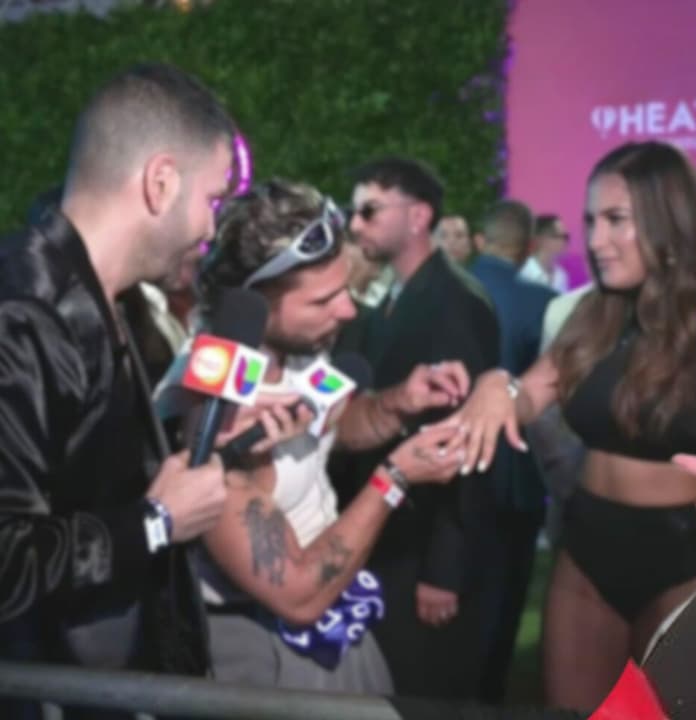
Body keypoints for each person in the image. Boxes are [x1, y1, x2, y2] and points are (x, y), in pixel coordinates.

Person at [155, 179, 472, 694]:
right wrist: (394, 478)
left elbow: (331, 426)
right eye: (324, 299)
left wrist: (398, 401)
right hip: (269, 653)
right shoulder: (212, 410)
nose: (348, 310)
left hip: (339, 630)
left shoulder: (295, 347)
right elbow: (298, 594)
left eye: (345, 289)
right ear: (254, 304)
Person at [450, 141, 696, 711]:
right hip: (587, 549)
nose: (596, 240)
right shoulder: (590, 315)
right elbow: (529, 393)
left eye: (616, 220)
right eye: (591, 221)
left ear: (666, 218)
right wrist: (495, 387)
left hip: (686, 556)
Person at [0, 64, 236, 714]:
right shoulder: (24, 313)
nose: (211, 229)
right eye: (213, 200)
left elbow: (82, 466)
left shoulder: (110, 298)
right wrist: (156, 523)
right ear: (161, 183)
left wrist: (184, 433)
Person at [331, 156, 503, 700]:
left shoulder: (455, 302)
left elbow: (470, 438)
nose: (355, 224)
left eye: (370, 210)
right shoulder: (393, 295)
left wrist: (444, 569)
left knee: (422, 691)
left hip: (423, 541)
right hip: (387, 528)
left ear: (419, 216)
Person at [466, 199, 557, 701]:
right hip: (516, 470)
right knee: (501, 606)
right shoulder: (542, 301)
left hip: (452, 463)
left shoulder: (449, 288)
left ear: (481, 239)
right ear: (527, 246)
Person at [518, 214, 571, 293]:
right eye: (557, 236)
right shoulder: (523, 272)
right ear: (540, 238)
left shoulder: (561, 275)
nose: (563, 241)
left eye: (566, 236)